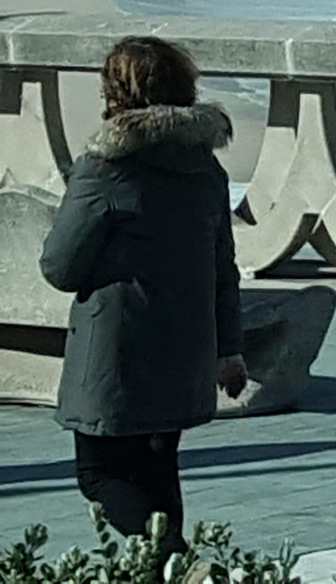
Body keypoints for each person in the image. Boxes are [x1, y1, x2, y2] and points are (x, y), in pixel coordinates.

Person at [38, 37, 245, 552]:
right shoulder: (206, 169)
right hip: (186, 349)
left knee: (100, 475)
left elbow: (60, 267)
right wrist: (230, 349)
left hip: (116, 351)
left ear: (117, 91)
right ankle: (172, 569)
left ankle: (187, 566)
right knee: (158, 472)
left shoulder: (106, 168)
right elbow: (225, 266)